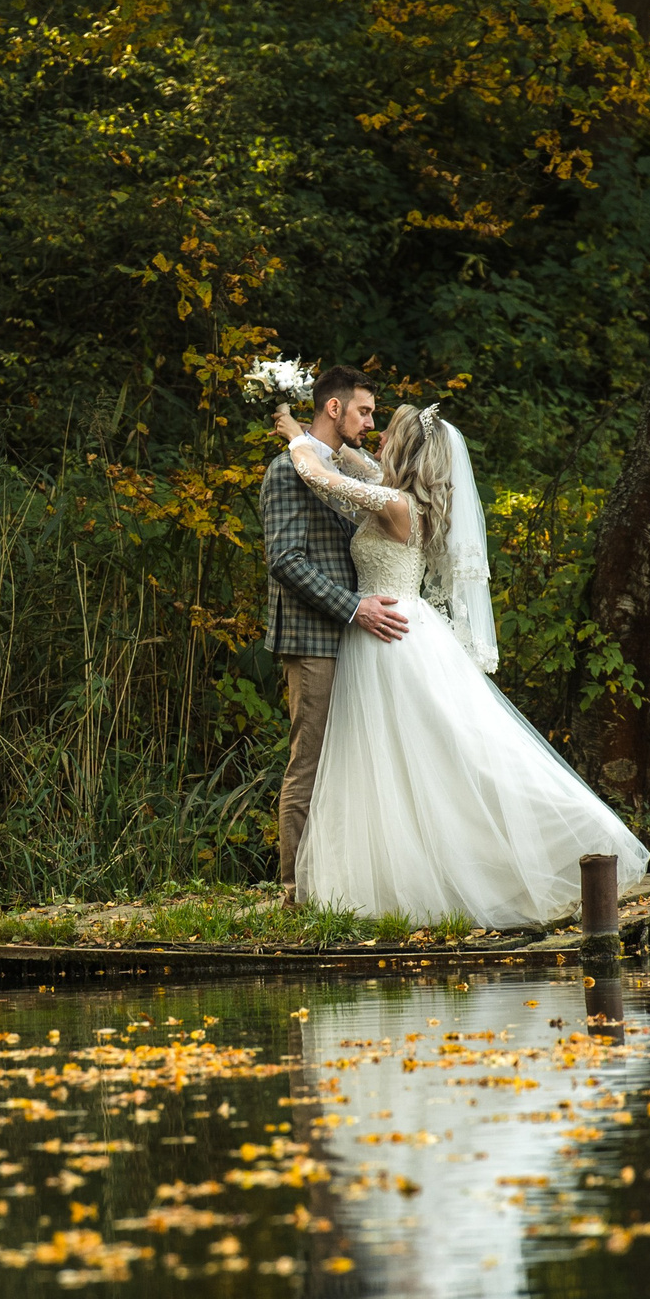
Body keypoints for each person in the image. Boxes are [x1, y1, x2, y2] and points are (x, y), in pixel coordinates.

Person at [271, 395, 649, 929]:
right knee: (396, 766)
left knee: (434, 758)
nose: (377, 439)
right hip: (389, 633)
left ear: (403, 448)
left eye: (388, 434)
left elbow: (317, 473)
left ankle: (566, 836)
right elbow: (355, 464)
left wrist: (293, 436)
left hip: (391, 638)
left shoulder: (397, 505)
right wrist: (312, 432)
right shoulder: (396, 494)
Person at [259, 365, 409, 904]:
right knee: (311, 760)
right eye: (365, 410)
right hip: (314, 639)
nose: (370, 421)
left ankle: (344, 881)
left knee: (351, 762)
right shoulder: (285, 471)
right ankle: (295, 889)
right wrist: (354, 608)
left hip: (356, 638)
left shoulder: (335, 467)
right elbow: (287, 561)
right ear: (334, 408)